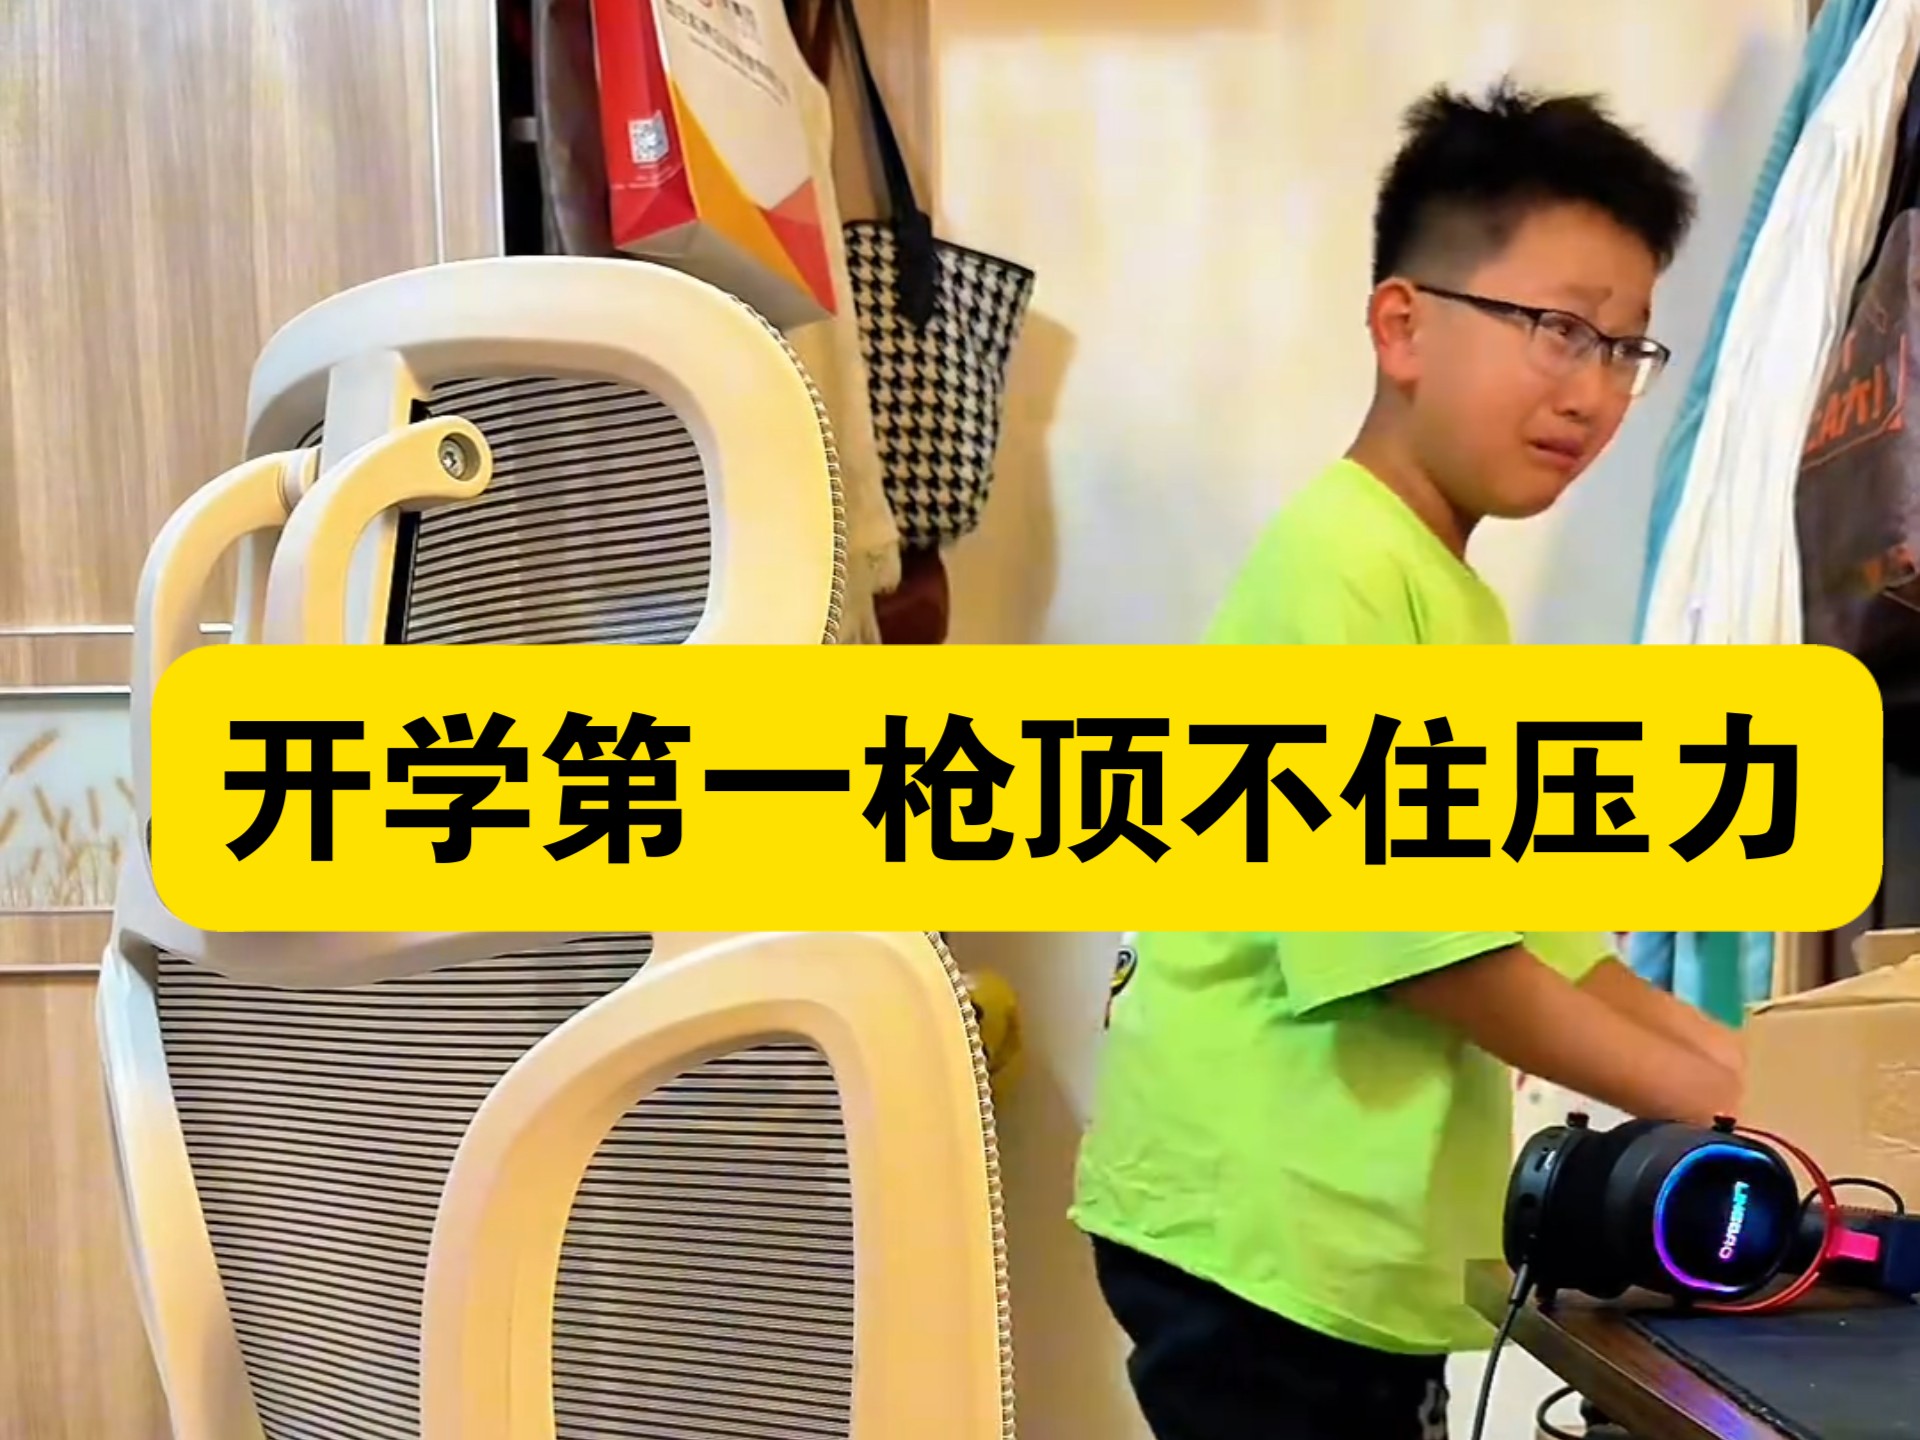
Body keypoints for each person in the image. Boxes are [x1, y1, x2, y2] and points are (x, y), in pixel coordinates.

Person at [1069, 79, 1747, 1440]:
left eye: (1627, 349)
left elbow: (1551, 944)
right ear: (1402, 325)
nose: (1594, 392)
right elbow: (1432, 953)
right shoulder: (1341, 570)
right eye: (1560, 329)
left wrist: (1777, 1077)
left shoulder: (1447, 597)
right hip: (1255, 1241)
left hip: (1341, 1256)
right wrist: (1731, 1101)